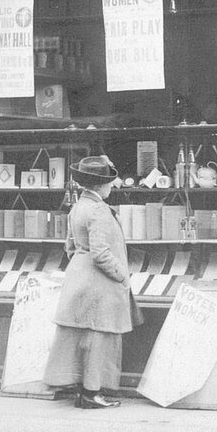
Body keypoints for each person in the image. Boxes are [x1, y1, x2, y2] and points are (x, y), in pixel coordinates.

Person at [44, 155, 141, 409]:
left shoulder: (78, 206)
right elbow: (101, 254)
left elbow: (69, 246)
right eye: (109, 182)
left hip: (79, 278)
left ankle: (80, 390)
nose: (112, 186)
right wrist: (121, 275)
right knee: (99, 338)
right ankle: (91, 394)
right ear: (100, 186)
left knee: (81, 337)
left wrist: (81, 264)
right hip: (100, 283)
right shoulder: (98, 210)